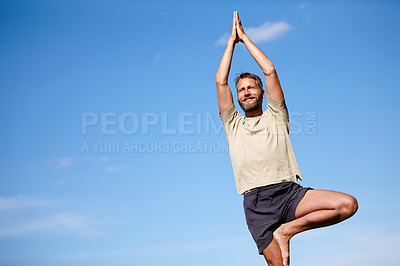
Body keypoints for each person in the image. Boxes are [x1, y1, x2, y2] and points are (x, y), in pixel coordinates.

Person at [216, 11, 358, 266]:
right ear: (237, 97)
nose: (246, 92)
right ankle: (281, 234)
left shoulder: (276, 115)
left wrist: (245, 39)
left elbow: (269, 71)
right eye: (241, 90)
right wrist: (230, 41)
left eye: (251, 87)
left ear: (261, 93)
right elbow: (220, 81)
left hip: (289, 193)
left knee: (347, 205)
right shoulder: (233, 124)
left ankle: (287, 231)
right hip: (256, 204)